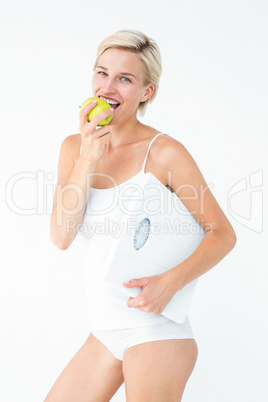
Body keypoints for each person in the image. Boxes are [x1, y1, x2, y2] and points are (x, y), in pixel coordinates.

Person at [46, 29, 236, 401]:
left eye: (125, 79)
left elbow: (222, 233)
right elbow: (61, 237)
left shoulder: (163, 152)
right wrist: (89, 155)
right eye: (102, 73)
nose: (107, 88)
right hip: (103, 332)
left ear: (146, 92)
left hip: (157, 332)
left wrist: (170, 282)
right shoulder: (74, 147)